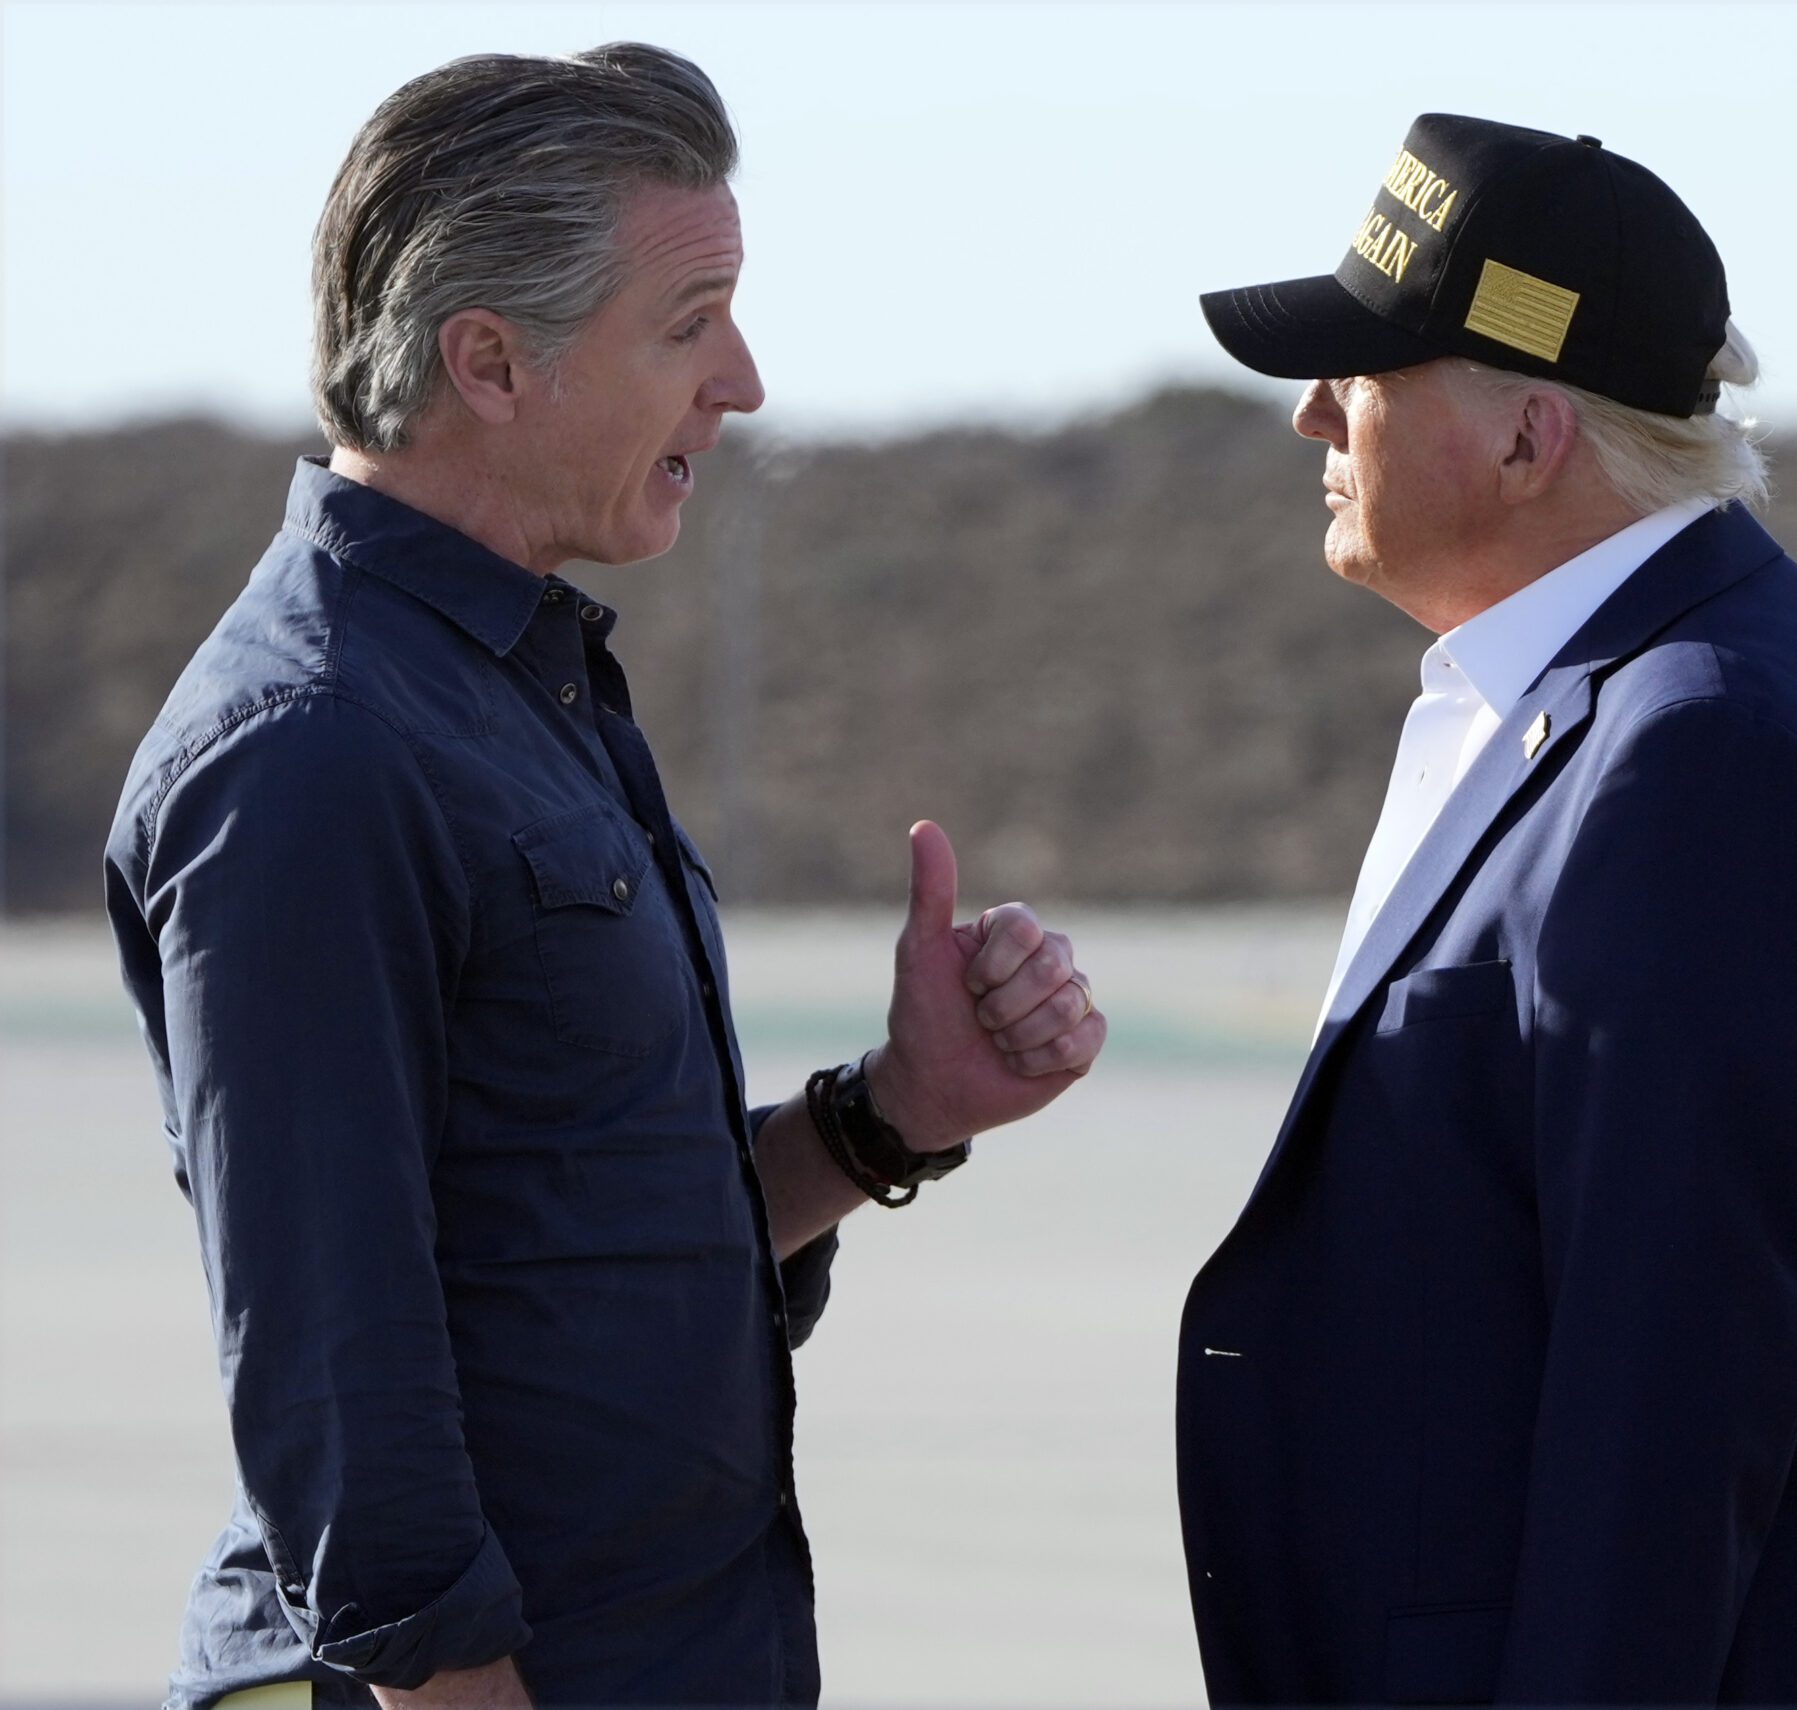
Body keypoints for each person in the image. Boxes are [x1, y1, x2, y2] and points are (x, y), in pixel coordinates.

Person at [103, 44, 1107, 1709]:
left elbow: (577, 1252)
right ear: (490, 362)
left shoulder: (503, 690)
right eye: (690, 323)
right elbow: (333, 1355)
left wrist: (887, 1116)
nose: (745, 381)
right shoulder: (313, 749)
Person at [1176, 113, 1797, 1705]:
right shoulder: (1632, 698)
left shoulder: (1704, 743)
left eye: (1364, 375)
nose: (1312, 408)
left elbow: (1676, 1385)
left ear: (1529, 438)